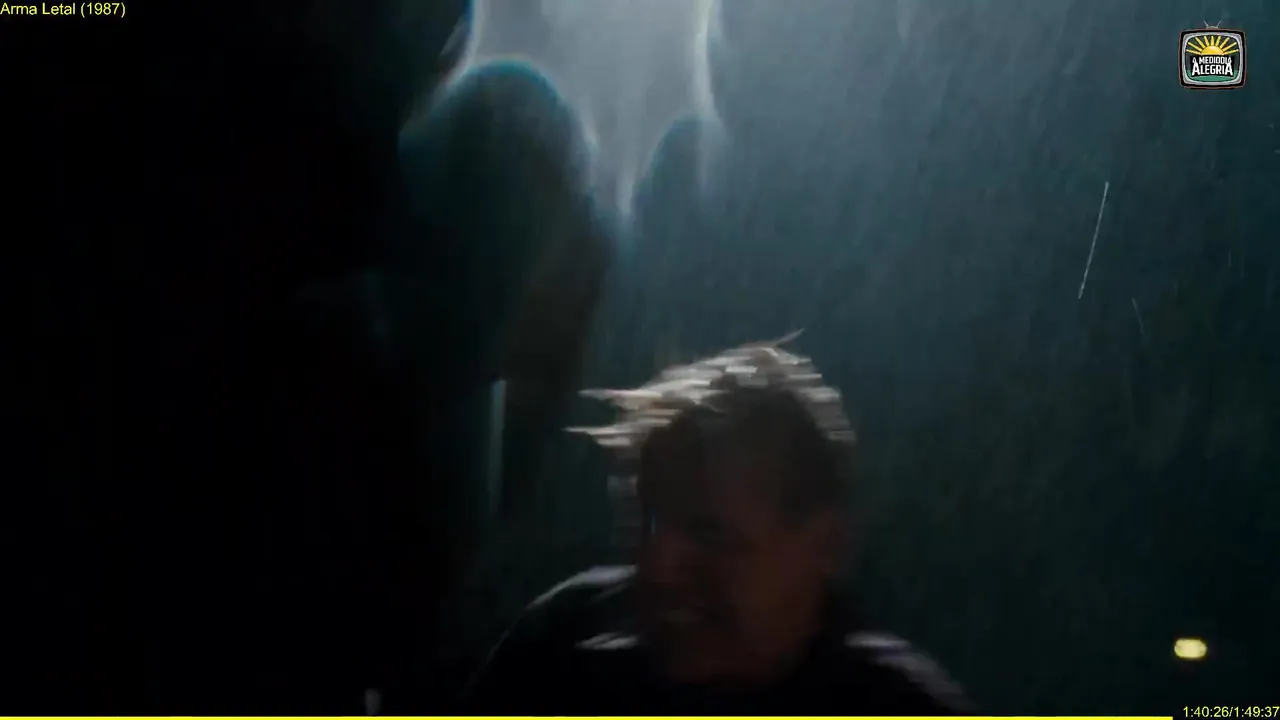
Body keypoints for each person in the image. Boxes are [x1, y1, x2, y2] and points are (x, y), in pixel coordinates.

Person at [461, 332, 972, 714]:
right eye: (647, 521)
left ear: (825, 546)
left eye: (709, 532)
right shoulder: (561, 646)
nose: (657, 565)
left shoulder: (903, 707)